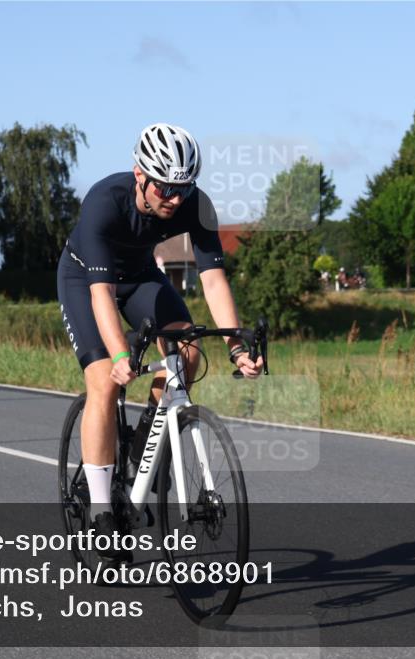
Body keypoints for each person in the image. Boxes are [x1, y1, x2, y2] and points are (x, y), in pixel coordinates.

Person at [57, 123, 264, 562]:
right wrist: (118, 355)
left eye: (183, 188)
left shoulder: (195, 205)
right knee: (104, 381)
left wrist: (236, 347)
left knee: (187, 352)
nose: (174, 198)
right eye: (165, 188)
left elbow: (213, 280)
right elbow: (101, 296)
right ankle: (99, 511)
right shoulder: (103, 202)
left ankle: (145, 442)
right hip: (85, 281)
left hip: (142, 280)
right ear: (140, 176)